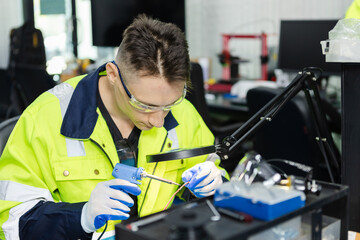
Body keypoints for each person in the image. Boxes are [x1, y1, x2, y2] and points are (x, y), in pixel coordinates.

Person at [0, 14, 227, 239]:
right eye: (144, 105)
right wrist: (80, 217)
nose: (159, 120)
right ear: (113, 75)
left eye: (171, 103)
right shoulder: (45, 116)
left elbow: (213, 178)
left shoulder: (184, 112)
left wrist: (214, 184)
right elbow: (11, 223)